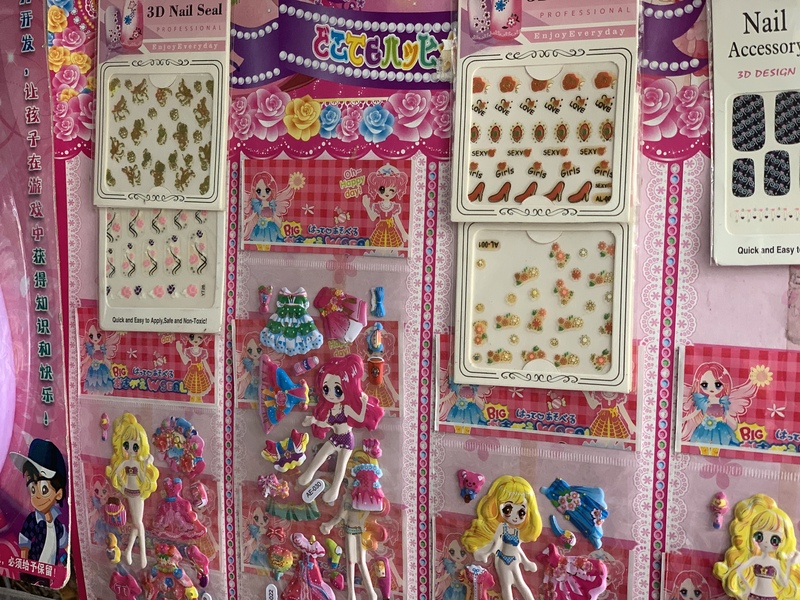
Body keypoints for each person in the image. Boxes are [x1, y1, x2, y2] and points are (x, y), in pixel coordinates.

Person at [461, 476, 541, 600]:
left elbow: (518, 548)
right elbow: (496, 543)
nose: (515, 516)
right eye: (508, 509)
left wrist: (526, 562)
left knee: (520, 583)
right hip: (503, 560)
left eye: (521, 512)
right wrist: (486, 553)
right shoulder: (502, 527)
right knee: (506, 585)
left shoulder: (517, 531)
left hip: (514, 560)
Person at [713, 494, 800, 600]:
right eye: (759, 537)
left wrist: (790, 564)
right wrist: (746, 588)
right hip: (754, 595)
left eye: (775, 540)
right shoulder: (754, 559)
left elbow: (784, 582)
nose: (766, 543)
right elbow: (739, 571)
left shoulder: (775, 562)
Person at [10, 439, 69, 584]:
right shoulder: (33, 520)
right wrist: (24, 565)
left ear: (58, 493)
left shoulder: (58, 525)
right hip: (32, 568)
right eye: (32, 489)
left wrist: (67, 563)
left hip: (48, 572)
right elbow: (25, 542)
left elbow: (64, 544)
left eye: (44, 489)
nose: (36, 496)